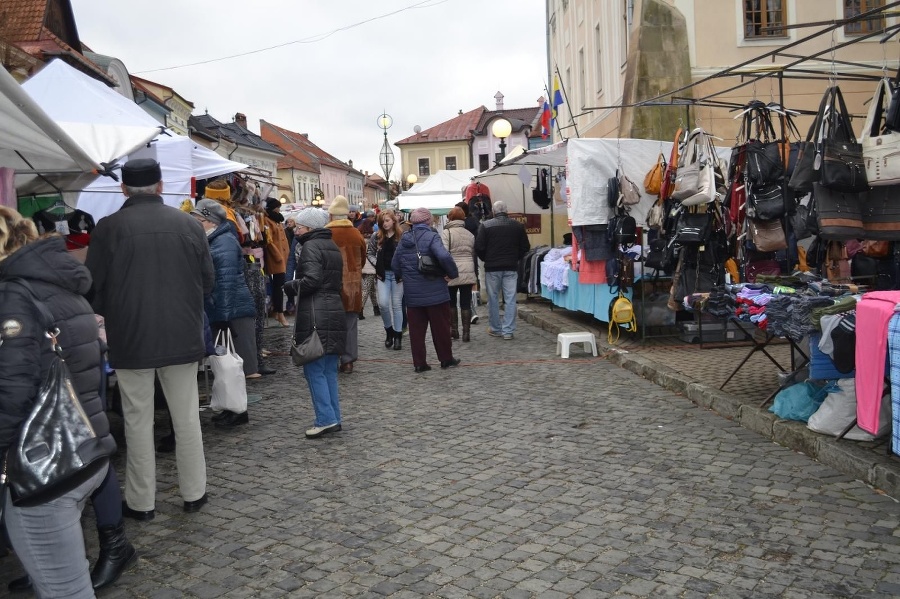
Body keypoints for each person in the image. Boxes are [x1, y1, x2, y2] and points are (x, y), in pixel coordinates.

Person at [0, 207, 126, 597]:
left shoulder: (13, 296)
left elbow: (13, 390)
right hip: (81, 444)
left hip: (45, 462)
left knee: (64, 589)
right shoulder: (53, 282)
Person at [85, 158, 213, 519]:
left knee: (137, 420)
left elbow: (92, 290)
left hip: (131, 338)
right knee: (186, 416)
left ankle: (142, 503)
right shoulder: (189, 225)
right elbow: (208, 283)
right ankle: (194, 492)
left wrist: (119, 311)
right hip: (181, 334)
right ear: (159, 186)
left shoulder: (108, 228)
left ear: (123, 188)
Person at [191, 198, 257, 427]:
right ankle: (229, 407)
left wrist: (225, 316)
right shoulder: (215, 239)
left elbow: (227, 282)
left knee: (229, 363)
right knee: (222, 363)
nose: (196, 223)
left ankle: (238, 411)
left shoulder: (224, 242)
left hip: (230, 309)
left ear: (210, 221)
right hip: (223, 307)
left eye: (198, 219)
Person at [284, 208, 346, 439]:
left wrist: (289, 286)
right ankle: (334, 417)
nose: (296, 230)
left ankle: (326, 419)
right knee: (328, 369)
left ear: (310, 228)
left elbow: (311, 281)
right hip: (333, 309)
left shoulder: (310, 247)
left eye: (299, 227)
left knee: (314, 369)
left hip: (315, 312)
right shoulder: (331, 246)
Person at [391, 207, 460, 373]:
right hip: (435, 291)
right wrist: (452, 274)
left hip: (413, 295)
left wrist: (403, 276)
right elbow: (443, 256)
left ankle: (419, 363)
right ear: (428, 221)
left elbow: (394, 264)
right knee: (441, 328)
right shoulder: (432, 236)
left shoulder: (404, 239)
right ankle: (446, 359)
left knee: (416, 331)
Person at [474, 200, 530, 340]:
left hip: (492, 267)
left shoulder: (485, 226)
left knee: (493, 298)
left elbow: (479, 247)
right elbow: (525, 247)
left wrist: (487, 258)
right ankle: (508, 331)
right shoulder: (517, 226)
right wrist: (515, 257)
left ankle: (495, 328)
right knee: (510, 299)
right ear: (507, 210)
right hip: (511, 266)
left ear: (493, 211)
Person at [325, 196, 366, 374]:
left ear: (332, 216)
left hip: (331, 285)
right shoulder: (356, 234)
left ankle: (332, 358)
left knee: (331, 324)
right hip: (353, 286)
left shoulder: (327, 234)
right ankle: (348, 361)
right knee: (350, 324)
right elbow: (362, 260)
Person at [369, 209, 405, 350]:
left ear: (394, 221)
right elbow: (370, 253)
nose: (385, 224)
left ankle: (398, 336)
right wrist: (377, 264)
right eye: (382, 221)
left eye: (387, 220)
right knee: (383, 304)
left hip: (397, 276)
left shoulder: (401, 236)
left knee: (396, 305)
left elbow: (407, 254)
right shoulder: (376, 237)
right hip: (383, 275)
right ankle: (389, 331)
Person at [441, 206, 477, 342]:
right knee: (465, 302)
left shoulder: (447, 233)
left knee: (451, 302)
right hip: (467, 269)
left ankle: (454, 330)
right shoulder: (469, 234)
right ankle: (466, 333)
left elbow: (444, 253)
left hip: (452, 270)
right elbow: (472, 252)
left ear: (450, 217)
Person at [264, 198, 290, 327]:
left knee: (279, 285)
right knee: (278, 286)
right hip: (275, 258)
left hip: (282, 257)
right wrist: (278, 255)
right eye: (277, 207)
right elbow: (269, 241)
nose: (279, 209)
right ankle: (279, 313)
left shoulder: (277, 220)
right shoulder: (267, 220)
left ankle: (277, 311)